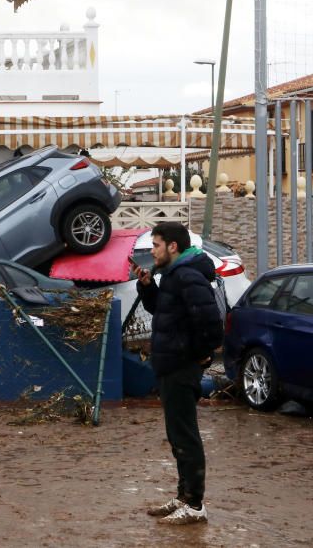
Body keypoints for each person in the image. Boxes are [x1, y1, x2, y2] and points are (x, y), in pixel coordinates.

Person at [132, 222, 221, 525]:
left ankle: (195, 505)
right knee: (177, 436)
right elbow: (163, 310)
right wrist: (147, 287)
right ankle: (184, 496)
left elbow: (211, 322)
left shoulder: (187, 275)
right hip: (171, 366)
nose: (152, 251)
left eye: (156, 245)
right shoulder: (172, 275)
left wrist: (199, 355)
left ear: (173, 246)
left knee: (186, 436)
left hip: (182, 367)